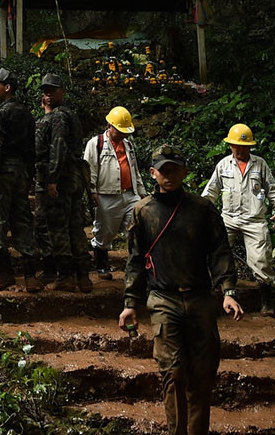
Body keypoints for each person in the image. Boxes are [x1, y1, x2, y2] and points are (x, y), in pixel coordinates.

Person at [119, 146, 242, 435]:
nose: (169, 175)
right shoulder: (143, 212)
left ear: (185, 172)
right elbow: (135, 260)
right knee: (172, 373)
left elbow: (220, 251)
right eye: (164, 170)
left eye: (174, 169)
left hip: (199, 298)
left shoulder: (202, 209)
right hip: (164, 299)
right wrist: (130, 303)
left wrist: (228, 291)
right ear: (153, 173)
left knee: (202, 375)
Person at [201, 124, 275, 316]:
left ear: (250, 146)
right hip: (228, 218)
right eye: (236, 146)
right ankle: (214, 295)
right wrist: (199, 212)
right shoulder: (223, 165)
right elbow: (211, 192)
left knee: (261, 259)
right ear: (230, 145)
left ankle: (266, 301)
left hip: (255, 219)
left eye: (243, 146)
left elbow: (272, 189)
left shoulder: (260, 164)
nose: (239, 150)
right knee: (215, 252)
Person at [0, 68, 42, 292]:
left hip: (2, 173)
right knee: (21, 218)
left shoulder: (0, 113)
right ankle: (30, 275)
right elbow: (32, 147)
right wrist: (30, 174)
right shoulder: (27, 114)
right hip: (21, 173)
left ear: (7, 88)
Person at [33, 73, 91, 292]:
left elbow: (58, 146)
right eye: (45, 91)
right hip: (73, 177)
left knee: (58, 226)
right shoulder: (69, 114)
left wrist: (52, 179)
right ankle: (83, 276)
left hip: (62, 179)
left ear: (62, 92)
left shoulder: (58, 116)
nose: (47, 94)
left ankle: (66, 275)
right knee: (75, 226)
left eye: (52, 90)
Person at [86, 105, 147, 279]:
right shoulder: (96, 143)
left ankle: (136, 267)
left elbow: (134, 170)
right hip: (107, 195)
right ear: (109, 126)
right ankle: (102, 266)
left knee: (137, 230)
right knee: (105, 232)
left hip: (130, 194)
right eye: (119, 131)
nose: (122, 135)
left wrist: (141, 192)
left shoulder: (128, 145)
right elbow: (90, 169)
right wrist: (92, 192)